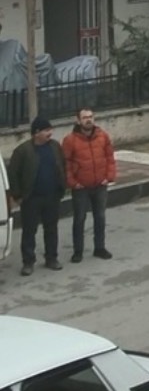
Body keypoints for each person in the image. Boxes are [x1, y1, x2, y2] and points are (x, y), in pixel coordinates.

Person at [8, 116, 66, 275]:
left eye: (50, 130)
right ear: (36, 133)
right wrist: (17, 195)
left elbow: (62, 165)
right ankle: (28, 262)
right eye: (47, 130)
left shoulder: (54, 146)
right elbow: (13, 174)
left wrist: (62, 185)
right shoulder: (22, 151)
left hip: (52, 196)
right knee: (29, 231)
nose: (50, 133)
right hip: (31, 198)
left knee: (51, 229)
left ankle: (51, 258)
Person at [62, 107, 116, 262]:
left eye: (91, 116)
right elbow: (66, 163)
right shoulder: (70, 140)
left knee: (100, 217)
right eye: (85, 117)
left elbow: (110, 157)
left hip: (100, 185)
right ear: (78, 120)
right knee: (79, 219)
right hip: (81, 187)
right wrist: (72, 182)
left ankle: (100, 248)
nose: (89, 120)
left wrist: (109, 176)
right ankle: (78, 251)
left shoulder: (102, 136)